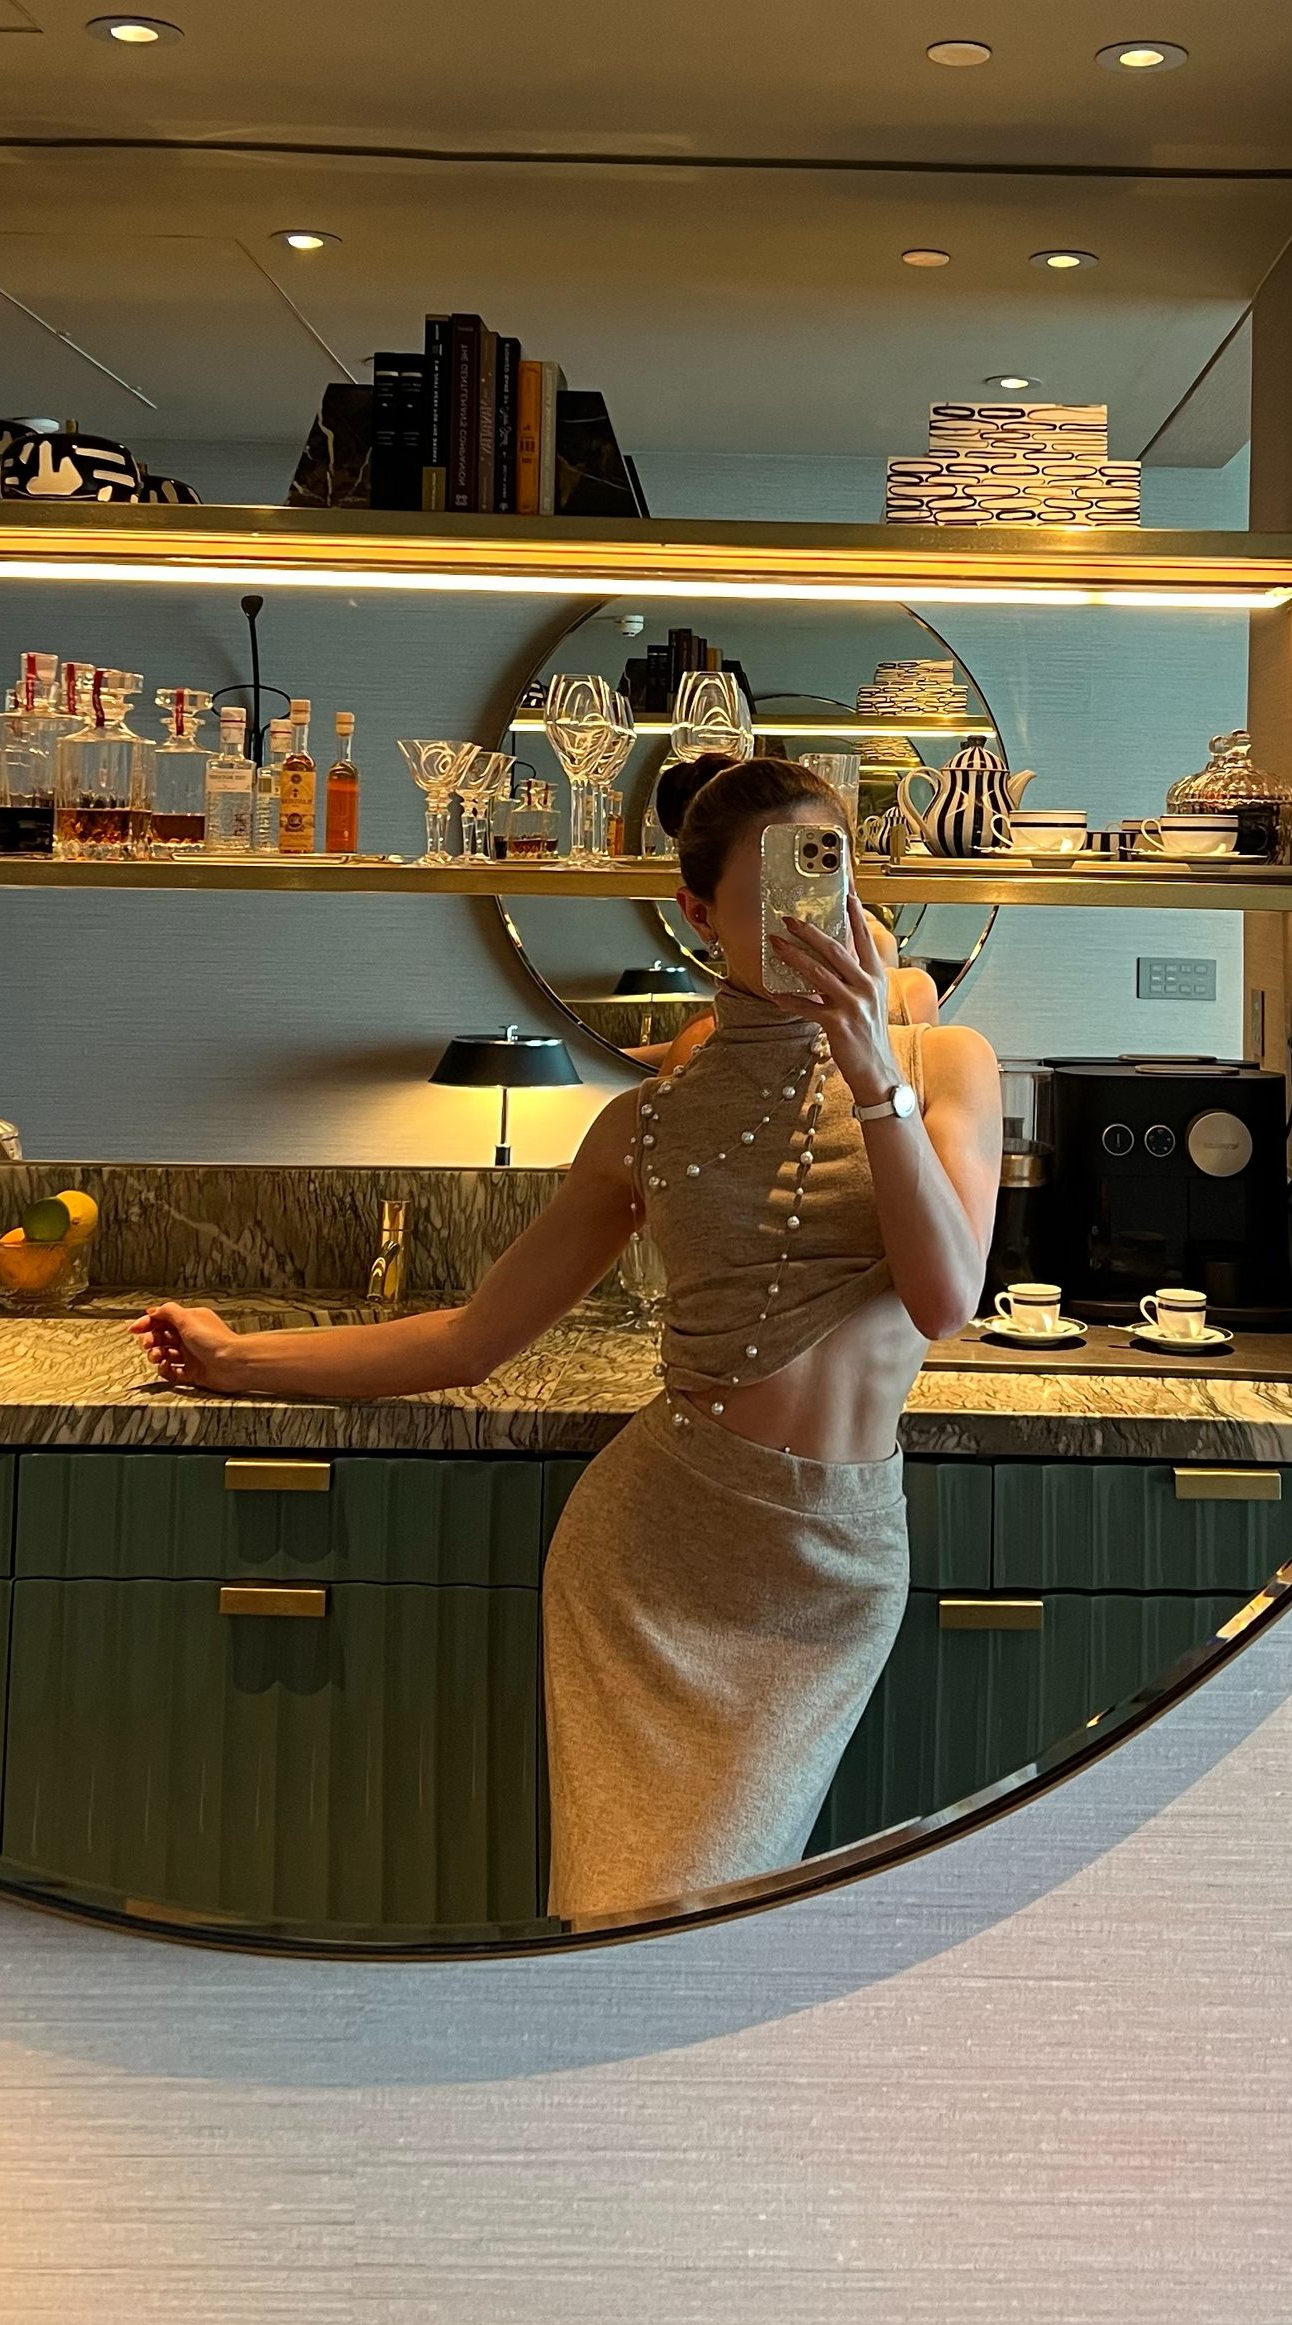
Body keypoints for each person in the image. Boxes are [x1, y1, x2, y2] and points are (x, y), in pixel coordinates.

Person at [134, 752, 1003, 1919]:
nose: (818, 927)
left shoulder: (943, 1068)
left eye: (830, 885)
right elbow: (469, 1338)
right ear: (694, 917)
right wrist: (237, 1358)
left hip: (834, 1571)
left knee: (703, 1924)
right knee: (622, 1917)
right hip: (655, 1552)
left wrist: (866, 1067)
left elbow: (945, 1301)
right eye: (776, 904)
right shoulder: (646, 1119)